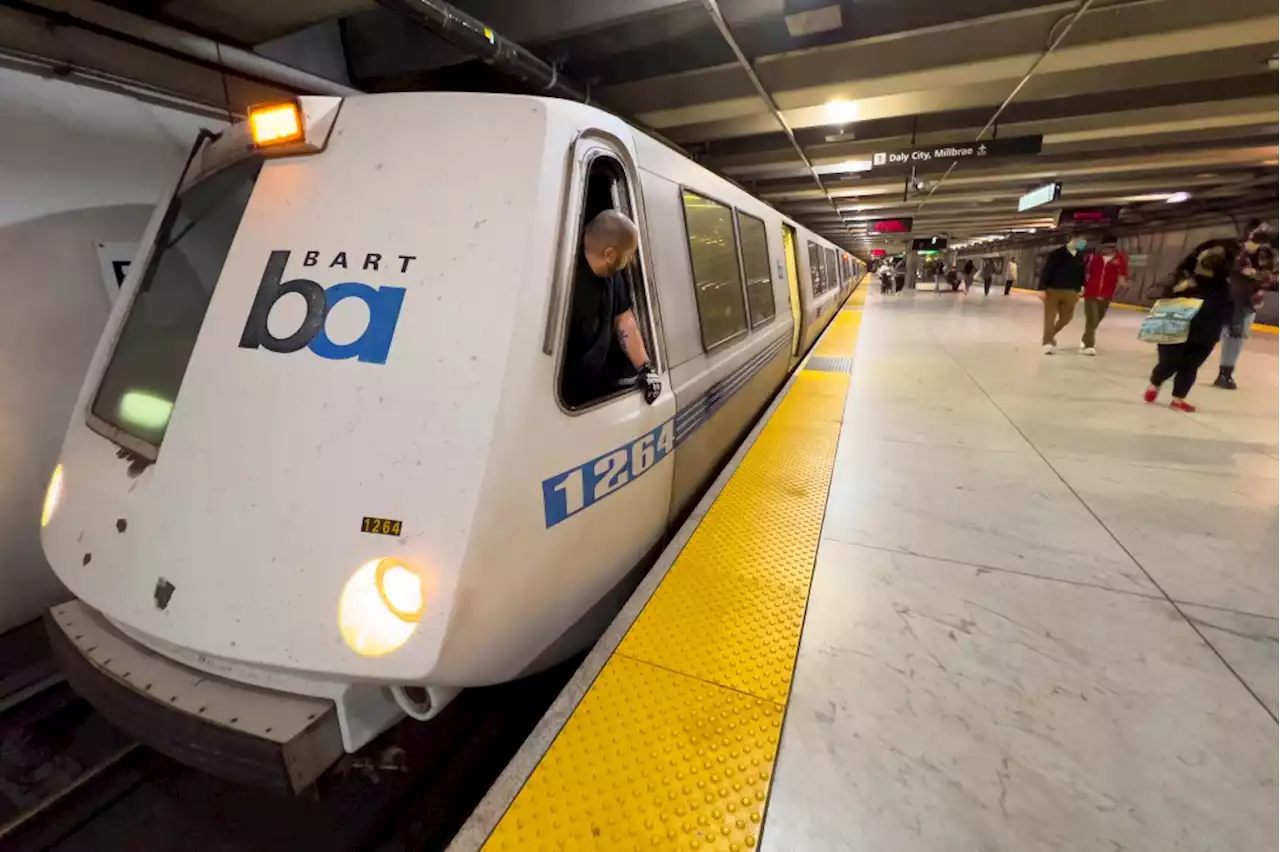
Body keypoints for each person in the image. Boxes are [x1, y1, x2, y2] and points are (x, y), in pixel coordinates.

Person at [562, 210, 661, 407]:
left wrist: (645, 368)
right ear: (609, 254)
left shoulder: (613, 275)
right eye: (629, 255)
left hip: (596, 385)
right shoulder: (565, 278)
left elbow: (624, 320)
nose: (630, 261)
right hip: (568, 397)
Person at [1144, 241, 1235, 411]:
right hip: (1178, 328)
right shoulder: (1185, 278)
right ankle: (1155, 383)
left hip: (1205, 332)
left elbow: (1228, 309)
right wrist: (1177, 288)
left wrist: (1228, 326)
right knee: (1169, 363)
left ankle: (1178, 398)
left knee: (1191, 366)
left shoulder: (1223, 287)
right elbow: (1155, 293)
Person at [1214, 220, 1277, 389]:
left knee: (1236, 337)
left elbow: (1272, 277)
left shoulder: (1267, 253)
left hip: (1248, 302)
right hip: (1226, 298)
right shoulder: (1233, 250)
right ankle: (1178, 359)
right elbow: (1231, 268)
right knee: (1212, 332)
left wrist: (1261, 282)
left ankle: (1225, 374)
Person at [1037, 233, 1088, 354]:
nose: (1083, 244)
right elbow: (1046, 270)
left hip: (1071, 291)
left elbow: (1082, 273)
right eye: (1081, 241)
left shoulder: (1080, 256)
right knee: (1049, 317)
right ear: (1073, 240)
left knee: (1066, 318)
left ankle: (1050, 334)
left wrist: (1082, 286)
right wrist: (1041, 288)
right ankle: (1047, 342)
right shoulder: (1057, 253)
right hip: (1053, 290)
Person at [1079, 234, 1129, 356]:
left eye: (1111, 247)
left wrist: (1124, 284)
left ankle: (1086, 338)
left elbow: (1122, 275)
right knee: (1092, 319)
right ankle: (1089, 345)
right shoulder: (1092, 257)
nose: (1107, 249)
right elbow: (1085, 273)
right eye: (1105, 247)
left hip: (1107, 294)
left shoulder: (1120, 259)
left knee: (1098, 319)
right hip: (1091, 293)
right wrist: (1081, 286)